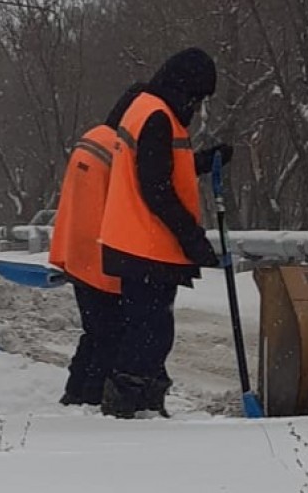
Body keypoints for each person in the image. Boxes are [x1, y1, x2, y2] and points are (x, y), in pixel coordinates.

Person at [98, 48, 233, 419]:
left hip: (137, 242)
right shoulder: (158, 116)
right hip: (146, 243)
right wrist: (191, 237)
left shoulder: (147, 108)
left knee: (150, 329)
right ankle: (128, 406)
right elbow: (156, 187)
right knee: (150, 332)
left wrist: (203, 161)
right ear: (187, 88)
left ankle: (142, 403)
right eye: (199, 98)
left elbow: (163, 167)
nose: (199, 107)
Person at [50, 83, 145, 407]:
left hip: (76, 250)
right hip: (101, 256)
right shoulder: (118, 148)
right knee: (110, 334)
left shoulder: (91, 139)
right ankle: (90, 398)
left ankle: (75, 392)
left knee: (95, 332)